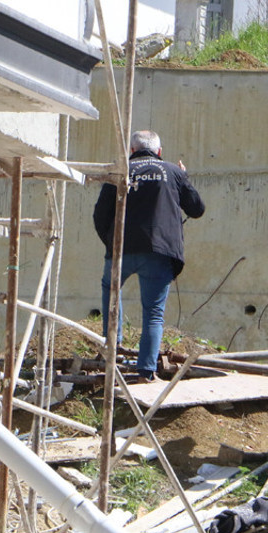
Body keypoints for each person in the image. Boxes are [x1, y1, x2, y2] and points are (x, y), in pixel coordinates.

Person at [93, 130, 205, 380]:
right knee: (153, 314)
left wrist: (111, 245)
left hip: (121, 250)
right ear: (160, 152)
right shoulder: (173, 172)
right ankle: (145, 371)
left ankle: (114, 350)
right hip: (159, 252)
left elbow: (100, 215)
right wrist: (184, 177)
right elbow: (197, 209)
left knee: (111, 294)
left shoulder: (119, 172)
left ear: (131, 151)